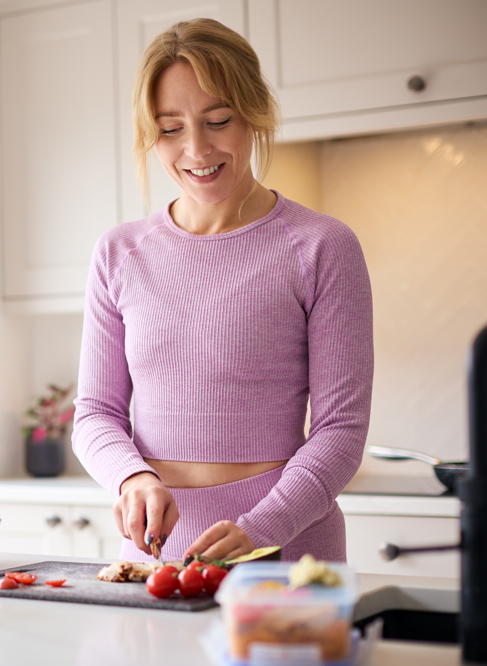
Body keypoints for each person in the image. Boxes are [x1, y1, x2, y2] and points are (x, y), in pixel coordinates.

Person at [72, 18, 373, 564]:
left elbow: (341, 432)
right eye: (169, 129)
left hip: (286, 549)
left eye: (217, 120)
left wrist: (261, 528)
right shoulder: (119, 253)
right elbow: (95, 413)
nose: (195, 148)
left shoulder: (321, 246)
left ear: (254, 113)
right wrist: (131, 478)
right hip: (154, 557)